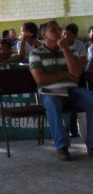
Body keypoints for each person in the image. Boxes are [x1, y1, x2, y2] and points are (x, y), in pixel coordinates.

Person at [29, 20, 93, 161]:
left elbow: (76, 73)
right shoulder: (36, 52)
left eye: (59, 29)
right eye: (53, 30)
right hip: (50, 92)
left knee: (91, 98)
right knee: (51, 102)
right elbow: (40, 79)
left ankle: (92, 144)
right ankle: (62, 146)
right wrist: (65, 74)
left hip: (72, 91)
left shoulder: (70, 50)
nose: (58, 32)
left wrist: (65, 50)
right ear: (44, 35)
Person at [62, 23, 88, 138]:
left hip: (78, 79)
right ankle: (70, 130)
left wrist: (73, 67)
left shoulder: (80, 45)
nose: (65, 37)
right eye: (64, 34)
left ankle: (83, 133)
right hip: (65, 79)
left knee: (81, 106)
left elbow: (82, 64)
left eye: (69, 35)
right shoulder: (59, 45)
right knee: (67, 107)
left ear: (75, 36)